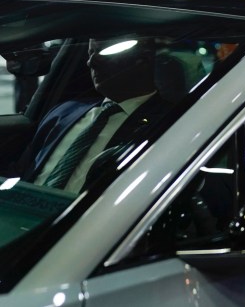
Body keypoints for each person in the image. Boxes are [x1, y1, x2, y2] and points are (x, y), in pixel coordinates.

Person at [13, 36, 172, 193]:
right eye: (90, 53)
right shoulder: (63, 113)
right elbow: (23, 172)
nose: (91, 62)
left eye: (106, 52)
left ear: (142, 58)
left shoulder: (170, 124)